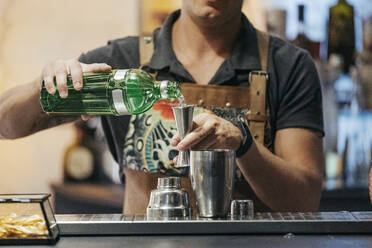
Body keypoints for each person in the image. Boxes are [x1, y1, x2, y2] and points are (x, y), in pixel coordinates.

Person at [0, 0, 324, 213]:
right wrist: (43, 86)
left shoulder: (288, 67)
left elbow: (305, 201)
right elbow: (6, 124)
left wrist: (243, 145)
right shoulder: (121, 65)